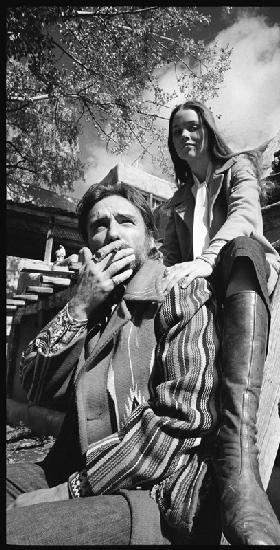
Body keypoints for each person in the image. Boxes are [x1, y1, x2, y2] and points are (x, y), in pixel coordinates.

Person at [6, 181, 222, 545]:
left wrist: (73, 489)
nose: (111, 235)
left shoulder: (181, 294)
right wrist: (78, 306)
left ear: (152, 238)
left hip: (151, 495)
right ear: (89, 245)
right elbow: (34, 386)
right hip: (68, 470)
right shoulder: (92, 307)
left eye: (125, 221)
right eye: (98, 226)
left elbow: (184, 419)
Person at [161, 100, 280, 545]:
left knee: (245, 247)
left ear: (208, 131)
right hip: (197, 294)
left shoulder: (237, 168)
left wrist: (207, 259)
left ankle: (238, 458)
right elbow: (171, 259)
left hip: (235, 272)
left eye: (193, 127)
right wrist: (172, 274)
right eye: (177, 132)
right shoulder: (175, 202)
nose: (186, 137)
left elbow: (246, 216)